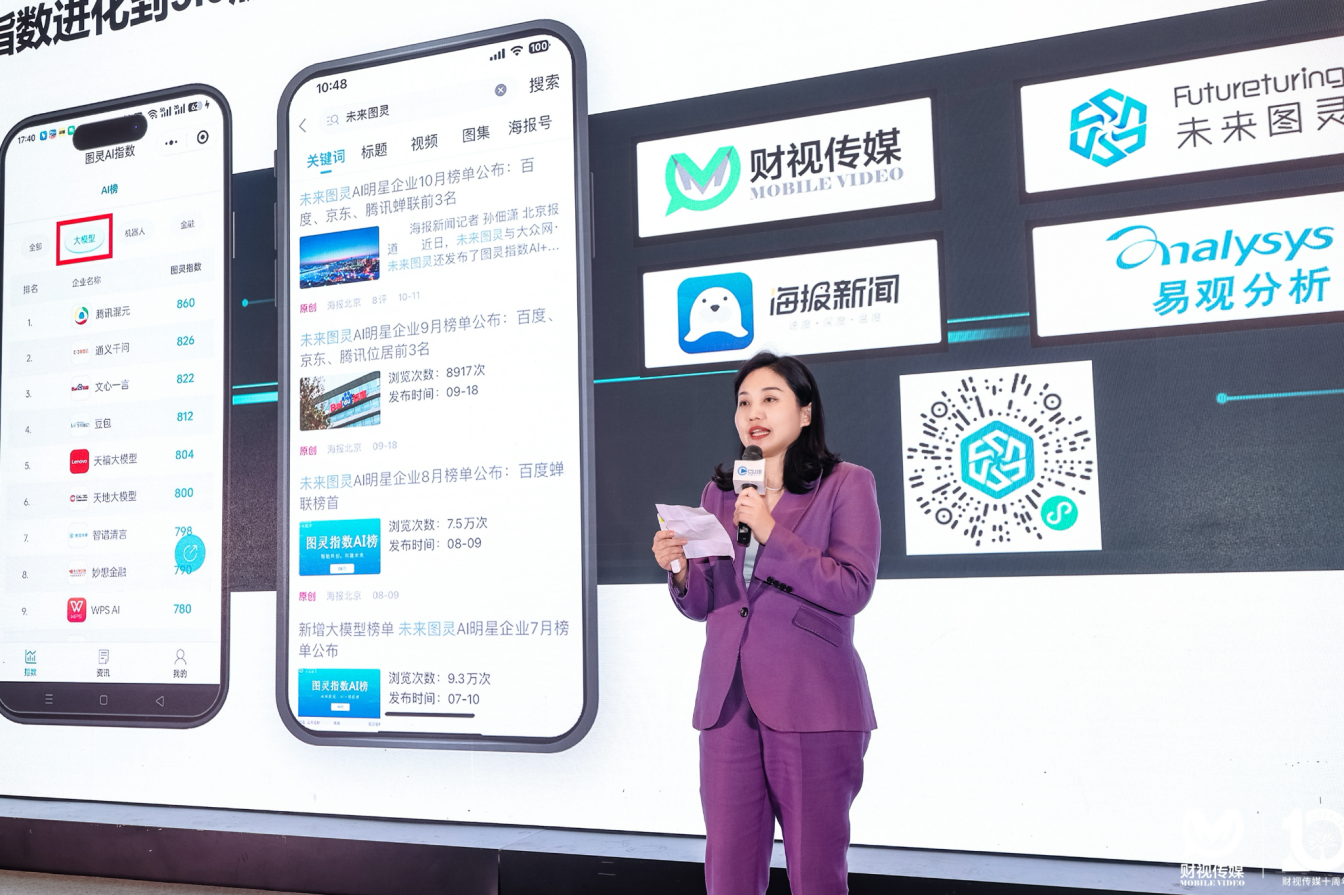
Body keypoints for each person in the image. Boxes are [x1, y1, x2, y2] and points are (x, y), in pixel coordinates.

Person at [652, 351, 880, 895]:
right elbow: (710, 602)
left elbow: (852, 588)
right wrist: (680, 571)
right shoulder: (721, 494)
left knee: (816, 874)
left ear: (805, 412)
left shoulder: (846, 484)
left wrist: (773, 533)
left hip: (812, 702)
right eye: (744, 402)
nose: (754, 412)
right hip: (727, 705)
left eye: (770, 399)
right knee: (728, 873)